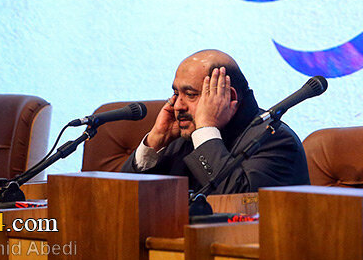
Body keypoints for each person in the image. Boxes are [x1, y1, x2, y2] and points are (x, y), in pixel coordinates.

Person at [121, 50, 310, 193]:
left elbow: (239, 201)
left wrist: (206, 130)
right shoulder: (180, 137)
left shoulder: (274, 139)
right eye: (176, 93)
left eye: (190, 94)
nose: (177, 105)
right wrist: (154, 142)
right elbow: (122, 198)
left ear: (229, 96)